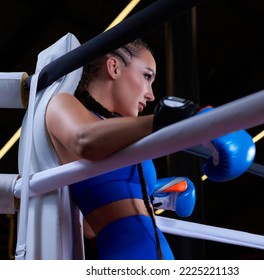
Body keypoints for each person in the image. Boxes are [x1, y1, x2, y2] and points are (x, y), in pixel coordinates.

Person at [45, 39, 177, 260]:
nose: (151, 94)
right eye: (147, 76)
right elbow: (84, 140)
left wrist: (154, 194)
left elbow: (87, 228)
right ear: (114, 67)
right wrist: (168, 119)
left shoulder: (118, 134)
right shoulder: (63, 103)